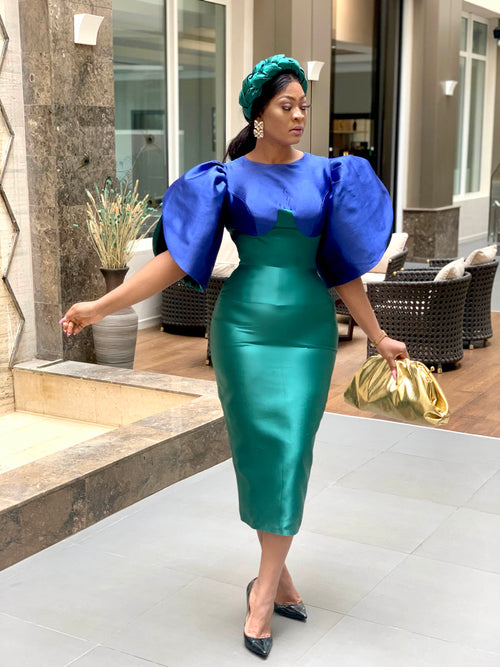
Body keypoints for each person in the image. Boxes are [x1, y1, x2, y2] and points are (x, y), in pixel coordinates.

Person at [61, 54, 408, 659]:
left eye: (303, 106)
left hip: (308, 333)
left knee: (290, 451)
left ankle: (263, 592)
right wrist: (100, 306)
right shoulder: (224, 180)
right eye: (286, 106)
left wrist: (378, 337)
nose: (299, 116)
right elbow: (174, 262)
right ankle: (277, 581)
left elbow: (342, 270)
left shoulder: (329, 176)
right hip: (243, 331)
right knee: (261, 453)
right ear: (257, 114)